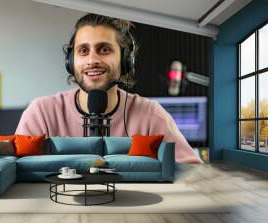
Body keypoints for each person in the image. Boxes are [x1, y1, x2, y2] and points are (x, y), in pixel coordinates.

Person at [15, 13, 203, 164]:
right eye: (83, 50)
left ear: (126, 60)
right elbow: (16, 173)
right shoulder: (41, 113)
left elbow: (192, 175)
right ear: (70, 61)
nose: (92, 60)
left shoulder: (151, 115)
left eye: (104, 49)